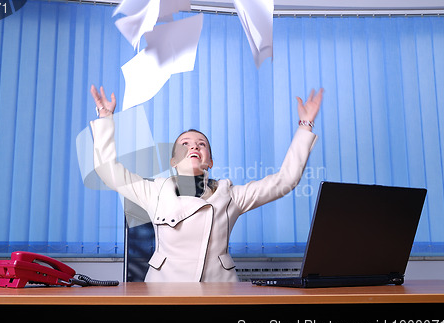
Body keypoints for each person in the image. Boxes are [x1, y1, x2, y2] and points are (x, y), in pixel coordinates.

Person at [89, 85, 323, 282]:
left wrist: (305, 125)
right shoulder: (153, 192)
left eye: (201, 144)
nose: (193, 147)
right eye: (185, 144)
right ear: (173, 161)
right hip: (162, 293)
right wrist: (105, 118)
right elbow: (107, 170)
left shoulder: (230, 195)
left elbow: (285, 180)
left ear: (210, 161)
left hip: (218, 291)